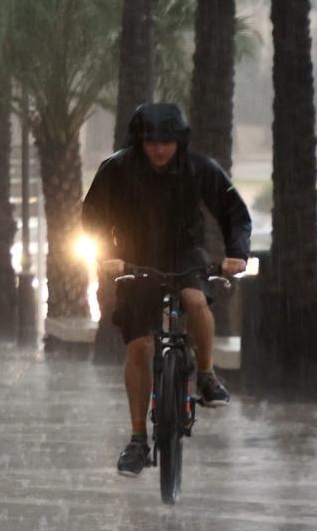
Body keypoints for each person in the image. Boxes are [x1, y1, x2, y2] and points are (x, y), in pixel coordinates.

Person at [81, 103, 251, 478]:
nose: (160, 149)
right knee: (140, 346)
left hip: (185, 254)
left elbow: (234, 212)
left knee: (194, 299)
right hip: (132, 258)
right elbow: (91, 217)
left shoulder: (199, 168)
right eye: (152, 141)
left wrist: (236, 254)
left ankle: (206, 376)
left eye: (168, 141)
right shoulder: (116, 169)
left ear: (180, 141)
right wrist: (105, 254)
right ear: (139, 140)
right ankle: (138, 440)